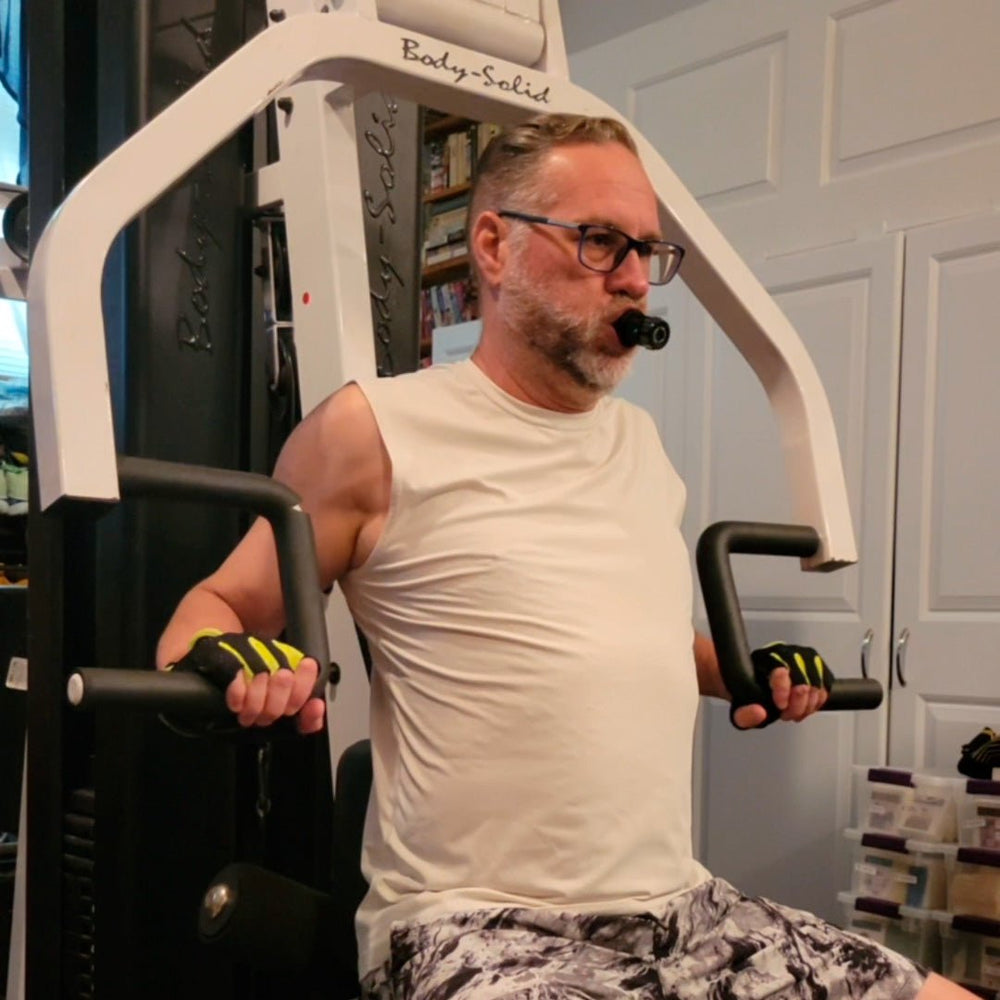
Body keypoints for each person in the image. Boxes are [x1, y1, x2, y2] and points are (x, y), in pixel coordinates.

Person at [158, 114, 971, 1000]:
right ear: (494, 246)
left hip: (685, 912)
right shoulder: (371, 434)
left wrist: (744, 671)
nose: (635, 279)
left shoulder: (640, 444)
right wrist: (221, 655)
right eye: (600, 242)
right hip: (479, 929)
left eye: (647, 252)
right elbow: (215, 609)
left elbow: (630, 638)